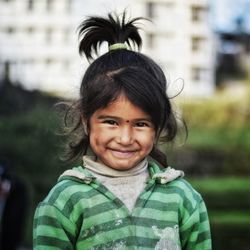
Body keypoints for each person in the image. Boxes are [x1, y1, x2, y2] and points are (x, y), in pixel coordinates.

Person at [33, 12, 211, 250]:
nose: (125, 138)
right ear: (87, 121)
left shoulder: (183, 198)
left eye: (140, 124)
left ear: (158, 126)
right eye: (111, 122)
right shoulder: (64, 201)